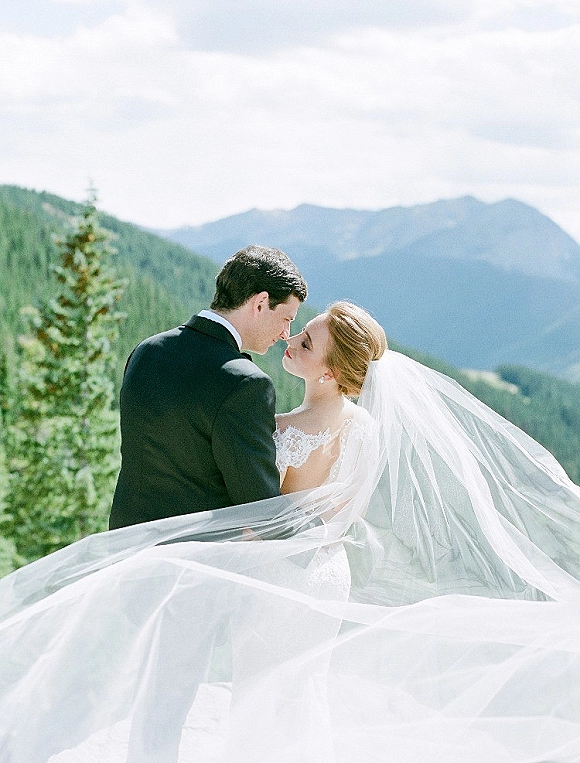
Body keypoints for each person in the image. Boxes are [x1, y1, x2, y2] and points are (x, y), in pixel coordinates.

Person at [2, 303, 580, 763]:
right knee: (294, 687)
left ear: (329, 371)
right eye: (297, 331)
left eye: (305, 341)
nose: (290, 340)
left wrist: (231, 541)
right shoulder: (354, 426)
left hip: (282, 574)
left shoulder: (289, 427)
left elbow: (274, 514)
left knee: (262, 690)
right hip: (320, 573)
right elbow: (334, 510)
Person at [109, 243, 307, 530]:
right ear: (261, 303)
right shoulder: (245, 384)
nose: (285, 333)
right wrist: (323, 531)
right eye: (286, 318)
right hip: (195, 551)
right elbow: (261, 508)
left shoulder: (146, 351)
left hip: (126, 543)